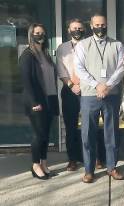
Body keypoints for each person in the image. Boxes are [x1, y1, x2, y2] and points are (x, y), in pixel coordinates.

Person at [74, 14, 124, 183]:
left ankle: (112, 167)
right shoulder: (82, 45)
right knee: (88, 134)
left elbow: (121, 68)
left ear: (107, 25)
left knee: (111, 133)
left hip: (111, 95)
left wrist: (108, 86)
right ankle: (89, 170)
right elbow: (79, 69)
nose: (100, 27)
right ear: (91, 25)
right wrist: (97, 85)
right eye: (97, 24)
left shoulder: (117, 45)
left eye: (103, 24)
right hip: (90, 95)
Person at [19, 23, 59, 180]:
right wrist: (34, 102)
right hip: (36, 101)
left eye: (42, 33)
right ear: (31, 35)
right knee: (39, 134)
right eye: (36, 33)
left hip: (49, 99)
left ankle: (43, 162)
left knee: (46, 135)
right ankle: (35, 165)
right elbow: (27, 81)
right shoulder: (27, 55)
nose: (40, 35)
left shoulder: (45, 54)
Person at [56, 18, 85, 171]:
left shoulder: (90, 45)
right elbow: (61, 70)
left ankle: (93, 157)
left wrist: (84, 85)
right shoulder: (62, 48)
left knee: (90, 125)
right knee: (71, 127)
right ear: (69, 30)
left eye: (80, 28)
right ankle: (72, 159)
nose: (77, 31)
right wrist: (72, 85)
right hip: (69, 91)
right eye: (74, 28)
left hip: (88, 90)